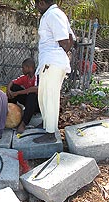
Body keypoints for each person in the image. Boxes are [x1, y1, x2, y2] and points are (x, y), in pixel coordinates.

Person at [33, 0, 74, 143]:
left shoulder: (53, 15)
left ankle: (50, 133)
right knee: (43, 96)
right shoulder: (52, 14)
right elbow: (71, 37)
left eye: (37, 4)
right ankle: (46, 124)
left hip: (53, 62)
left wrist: (57, 55)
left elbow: (66, 40)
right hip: (49, 62)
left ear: (42, 2)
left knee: (50, 98)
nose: (37, 7)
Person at [6, 58, 39, 134]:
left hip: (37, 105)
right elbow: (12, 82)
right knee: (14, 87)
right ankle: (10, 113)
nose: (22, 70)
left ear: (29, 68)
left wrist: (17, 93)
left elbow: (36, 89)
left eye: (23, 68)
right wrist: (9, 90)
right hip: (28, 103)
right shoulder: (25, 77)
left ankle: (23, 123)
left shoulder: (38, 76)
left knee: (32, 94)